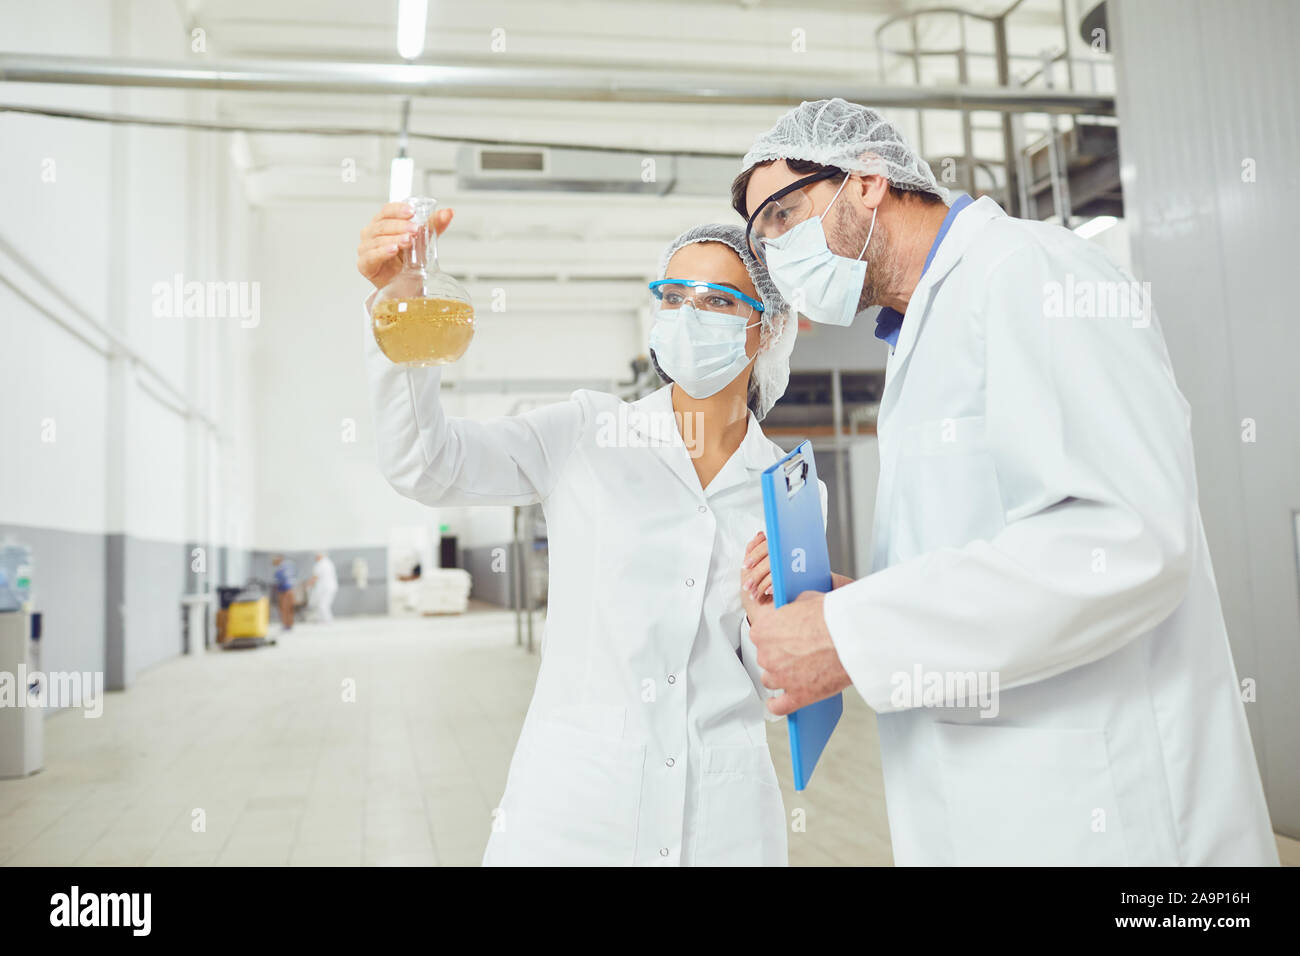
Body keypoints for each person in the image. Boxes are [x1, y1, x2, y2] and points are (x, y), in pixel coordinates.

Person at [734, 98, 1277, 865]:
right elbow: (991, 549)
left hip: (1112, 817)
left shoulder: (1031, 272)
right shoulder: (926, 326)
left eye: (785, 214)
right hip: (1005, 806)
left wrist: (851, 635)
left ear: (866, 181)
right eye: (764, 237)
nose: (778, 252)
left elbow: (1124, 540)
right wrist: (857, 602)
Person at [358, 204, 812, 866]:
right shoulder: (585, 433)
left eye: (716, 300)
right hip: (578, 808)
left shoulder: (790, 487)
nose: (688, 315)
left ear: (767, 326)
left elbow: (779, 687)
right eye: (674, 296)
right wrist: (401, 301)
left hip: (725, 820)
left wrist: (779, 626)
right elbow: (425, 464)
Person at [307, 551, 338, 624]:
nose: (315, 558)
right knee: (322, 604)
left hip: (325, 587)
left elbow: (315, 577)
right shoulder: (329, 562)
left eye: (317, 556)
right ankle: (322, 620)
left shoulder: (320, 564)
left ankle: (327, 620)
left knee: (322, 605)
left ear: (320, 556)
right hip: (330, 587)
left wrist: (308, 584)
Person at [270, 555, 296, 632]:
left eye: (274, 561)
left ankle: (287, 625)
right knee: (288, 608)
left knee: (285, 608)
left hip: (285, 590)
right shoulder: (287, 565)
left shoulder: (282, 567)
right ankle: (288, 624)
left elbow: (282, 579)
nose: (272, 563)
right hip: (288, 589)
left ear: (278, 559)